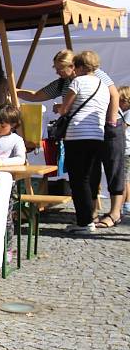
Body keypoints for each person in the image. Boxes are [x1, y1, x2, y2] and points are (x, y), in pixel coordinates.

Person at [18, 49, 122, 224]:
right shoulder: (63, 83)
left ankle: (115, 212)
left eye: (60, 68)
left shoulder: (96, 75)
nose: (57, 71)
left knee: (112, 167)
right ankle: (92, 212)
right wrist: (15, 90)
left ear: (73, 66)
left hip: (108, 125)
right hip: (89, 130)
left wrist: (110, 122)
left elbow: (114, 94)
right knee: (92, 171)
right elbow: (37, 95)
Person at [58, 51, 111, 234]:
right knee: (89, 179)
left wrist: (59, 107)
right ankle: (89, 218)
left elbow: (65, 109)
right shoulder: (103, 85)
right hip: (97, 135)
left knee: (78, 180)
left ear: (79, 67)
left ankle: (84, 222)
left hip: (77, 135)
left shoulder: (78, 82)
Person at [117, 86, 130, 217]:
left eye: (120, 101)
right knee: (125, 179)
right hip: (126, 149)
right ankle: (125, 204)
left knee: (124, 179)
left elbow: (123, 127)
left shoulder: (128, 113)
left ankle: (123, 205)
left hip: (126, 150)